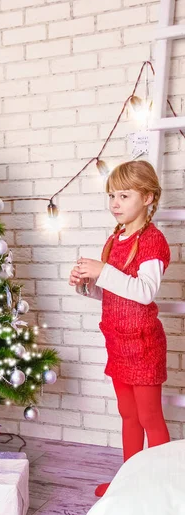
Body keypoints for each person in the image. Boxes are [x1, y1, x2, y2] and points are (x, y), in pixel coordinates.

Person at [69, 160, 170, 497]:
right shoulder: (114, 239)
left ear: (148, 197)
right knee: (128, 415)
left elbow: (144, 291)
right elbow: (110, 290)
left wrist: (103, 271)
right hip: (118, 342)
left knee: (149, 417)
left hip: (143, 345)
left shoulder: (153, 241)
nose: (115, 203)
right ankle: (130, 481)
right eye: (111, 195)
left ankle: (160, 487)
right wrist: (86, 284)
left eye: (124, 195)